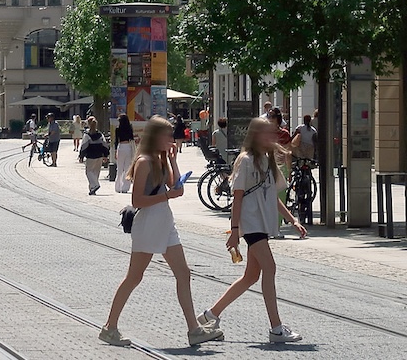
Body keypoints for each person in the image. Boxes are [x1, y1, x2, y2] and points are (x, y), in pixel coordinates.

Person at [100, 116, 224, 347]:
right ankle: (110, 327)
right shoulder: (144, 161)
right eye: (168, 136)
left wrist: (172, 160)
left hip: (164, 220)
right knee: (134, 277)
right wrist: (167, 194)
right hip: (148, 221)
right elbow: (137, 200)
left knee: (183, 273)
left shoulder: (159, 158)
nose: (172, 140)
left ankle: (194, 329)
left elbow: (174, 183)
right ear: (157, 137)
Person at [196, 118, 308, 343]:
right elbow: (237, 197)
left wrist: (292, 220)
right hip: (251, 223)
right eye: (268, 134)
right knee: (270, 268)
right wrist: (235, 230)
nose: (273, 138)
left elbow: (273, 197)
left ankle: (211, 314)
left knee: (250, 276)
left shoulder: (267, 161)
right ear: (257, 136)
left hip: (260, 224)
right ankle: (276, 329)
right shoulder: (245, 161)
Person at [79, 117, 107, 195]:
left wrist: (81, 156)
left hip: (90, 155)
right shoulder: (100, 134)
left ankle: (95, 185)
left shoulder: (87, 135)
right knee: (96, 172)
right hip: (99, 156)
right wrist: (105, 155)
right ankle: (92, 188)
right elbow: (104, 145)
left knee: (89, 172)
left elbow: (84, 146)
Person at [114, 113, 134, 194]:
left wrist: (115, 151)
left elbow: (116, 141)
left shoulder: (118, 129)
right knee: (127, 168)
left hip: (121, 147)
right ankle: (125, 187)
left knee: (119, 168)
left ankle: (118, 187)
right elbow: (131, 138)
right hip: (128, 147)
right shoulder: (129, 128)